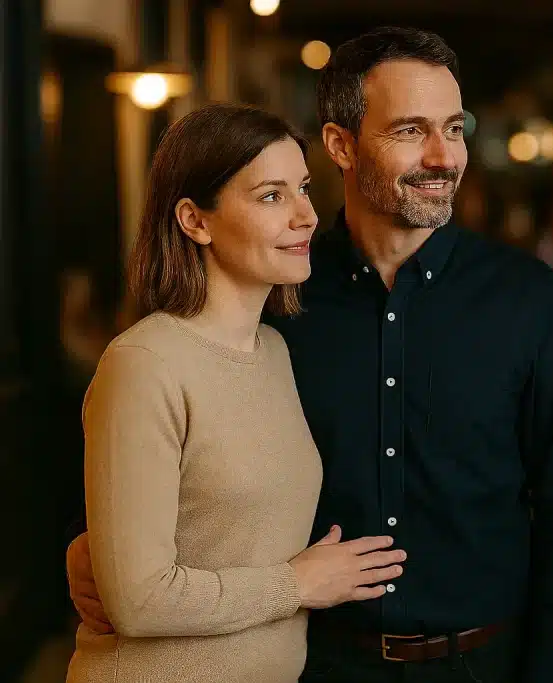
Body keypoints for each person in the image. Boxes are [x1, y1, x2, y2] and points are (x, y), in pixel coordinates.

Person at [68, 28, 553, 683]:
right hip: (314, 664)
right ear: (340, 144)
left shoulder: (526, 297)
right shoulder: (273, 298)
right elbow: (165, 443)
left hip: (481, 665)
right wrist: (92, 546)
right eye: (410, 130)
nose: (443, 156)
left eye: (454, 129)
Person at [65, 104, 406, 683]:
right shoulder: (144, 364)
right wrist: (297, 583)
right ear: (195, 221)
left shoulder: (274, 350)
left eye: (302, 188)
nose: (305, 216)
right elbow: (140, 601)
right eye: (271, 196)